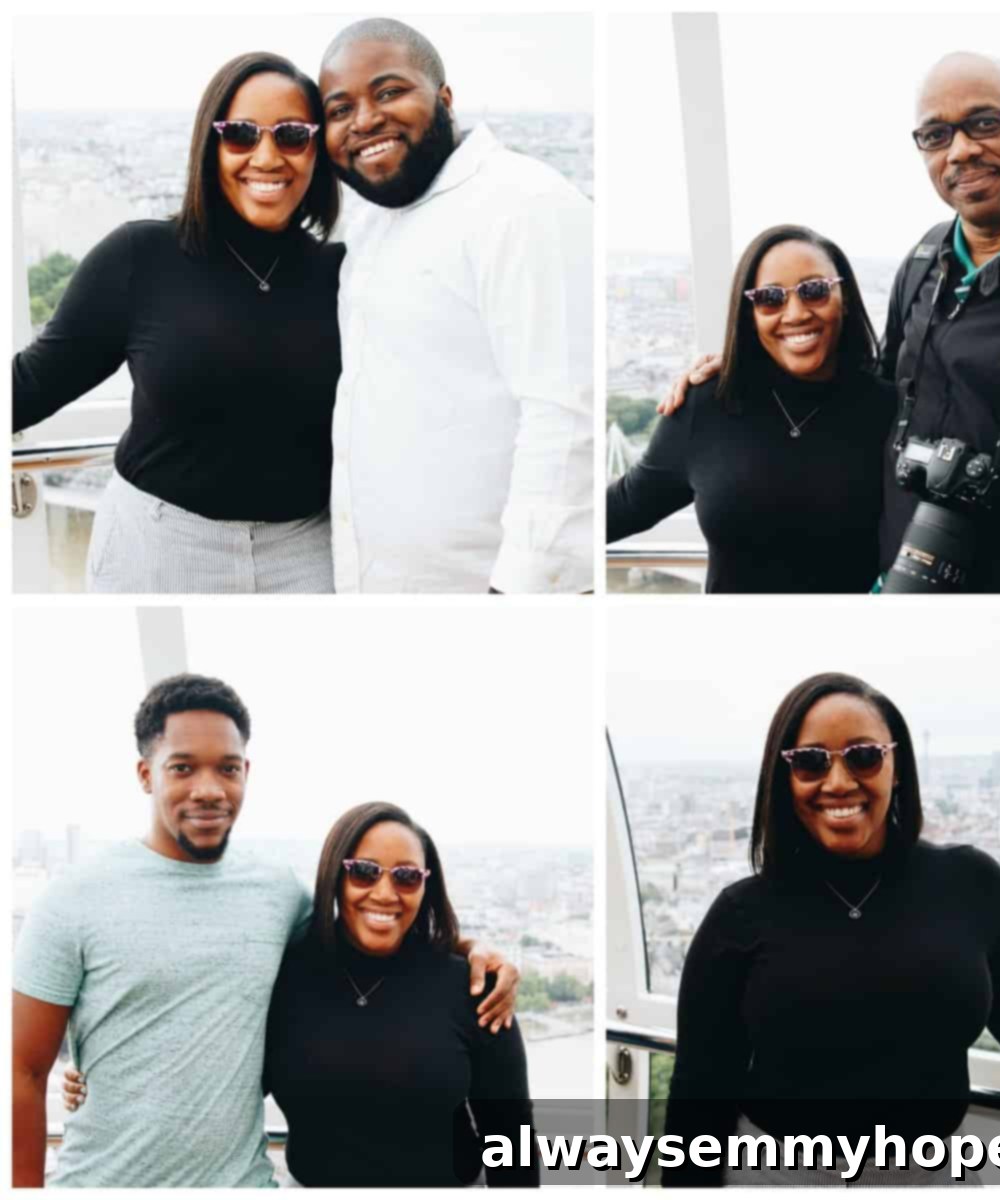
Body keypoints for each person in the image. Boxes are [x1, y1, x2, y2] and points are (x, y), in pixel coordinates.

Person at [661, 52, 1000, 594]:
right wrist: (757, 362)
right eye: (936, 135)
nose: (961, 150)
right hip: (903, 589)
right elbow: (871, 392)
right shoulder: (923, 263)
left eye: (985, 122)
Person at [12, 674, 518, 1187]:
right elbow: (22, 1072)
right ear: (146, 774)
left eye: (227, 768)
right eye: (182, 767)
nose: (208, 789)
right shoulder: (71, 899)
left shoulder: (277, 895)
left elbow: (368, 929)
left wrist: (476, 951)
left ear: (245, 773)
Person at [664, 672, 1000, 1185]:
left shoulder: (970, 882)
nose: (837, 782)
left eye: (863, 756)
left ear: (896, 766)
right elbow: (701, 1087)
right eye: (811, 761)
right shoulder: (740, 915)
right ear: (784, 778)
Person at [13, 54, 345, 593]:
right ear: (208, 145)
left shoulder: (343, 276)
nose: (266, 156)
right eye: (239, 133)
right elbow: (28, 386)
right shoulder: (140, 257)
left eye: (290, 135)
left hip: (307, 553)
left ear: (317, 150)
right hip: (159, 547)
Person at [318, 18, 593, 594]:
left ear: (444, 98)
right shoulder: (370, 223)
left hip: (484, 589)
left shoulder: (524, 203)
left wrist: (520, 589)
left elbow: (565, 414)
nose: (365, 120)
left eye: (389, 92)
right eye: (339, 110)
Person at [263, 803, 537, 1186]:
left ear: (426, 886)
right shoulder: (282, 980)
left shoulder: (473, 989)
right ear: (334, 876)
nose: (385, 893)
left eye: (406, 877)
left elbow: (511, 1138)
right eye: (364, 872)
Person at [607, 226, 893, 593]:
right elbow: (628, 505)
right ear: (750, 313)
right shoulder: (708, 404)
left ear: (846, 297)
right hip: (731, 644)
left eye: (815, 290)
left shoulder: (890, 410)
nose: (795, 313)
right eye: (771, 298)